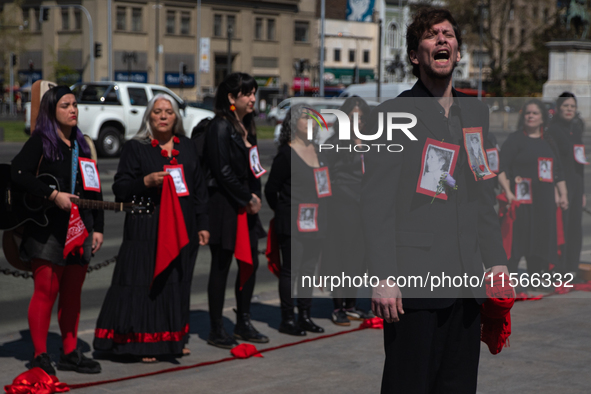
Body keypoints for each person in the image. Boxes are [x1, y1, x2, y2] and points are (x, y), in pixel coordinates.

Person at [361, 8, 510, 392]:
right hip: (415, 285)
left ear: (458, 53)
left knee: (458, 385)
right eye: (430, 35)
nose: (442, 39)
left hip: (466, 283)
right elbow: (376, 203)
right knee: (408, 383)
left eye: (448, 34)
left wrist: (495, 262)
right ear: (415, 55)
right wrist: (383, 276)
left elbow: (483, 195)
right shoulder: (393, 115)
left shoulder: (475, 112)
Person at [93, 94, 209, 362]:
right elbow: (120, 189)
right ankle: (142, 343)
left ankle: (173, 340)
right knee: (146, 283)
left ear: (176, 117)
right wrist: (145, 181)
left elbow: (200, 190)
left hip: (183, 227)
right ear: (149, 116)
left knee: (177, 284)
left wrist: (203, 223)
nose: (164, 116)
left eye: (169, 111)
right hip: (146, 227)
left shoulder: (188, 147)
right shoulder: (136, 147)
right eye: (158, 111)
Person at [11, 86, 104, 375]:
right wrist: (53, 196)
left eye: (75, 105)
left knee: (72, 294)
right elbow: (17, 173)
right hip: (46, 229)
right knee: (46, 291)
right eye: (66, 105)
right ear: (53, 111)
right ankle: (40, 354)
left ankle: (70, 352)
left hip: (80, 229)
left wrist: (98, 228)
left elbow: (94, 187)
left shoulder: (83, 144)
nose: (73, 110)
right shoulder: (41, 141)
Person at [204, 73, 268, 348]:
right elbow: (222, 171)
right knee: (221, 266)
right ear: (231, 98)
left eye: (254, 93)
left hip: (246, 206)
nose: (253, 98)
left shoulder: (247, 125)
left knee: (249, 264)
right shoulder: (219, 126)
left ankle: (243, 321)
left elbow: (254, 168)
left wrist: (256, 196)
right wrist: (247, 198)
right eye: (247, 93)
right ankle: (216, 327)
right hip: (225, 206)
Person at [265, 104, 327, 336]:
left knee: (309, 270)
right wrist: (284, 211)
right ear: (292, 124)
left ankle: (305, 316)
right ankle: (287, 319)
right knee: (291, 270)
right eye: (304, 119)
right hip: (292, 220)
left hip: (316, 221)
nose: (309, 123)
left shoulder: (319, 151)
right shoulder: (286, 154)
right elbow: (271, 190)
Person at [498, 99, 567, 280]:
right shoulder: (515, 140)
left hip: (543, 202)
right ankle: (509, 279)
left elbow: (557, 172)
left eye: (535, 113)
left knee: (539, 241)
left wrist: (562, 194)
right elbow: (501, 168)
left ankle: (535, 277)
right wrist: (509, 192)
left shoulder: (549, 142)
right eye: (528, 113)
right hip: (520, 202)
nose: (530, 116)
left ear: (543, 118)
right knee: (517, 241)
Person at [321, 96, 372, 326]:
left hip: (364, 208)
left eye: (361, 118)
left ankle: (351, 305)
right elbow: (326, 176)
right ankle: (338, 306)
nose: (358, 122)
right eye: (354, 117)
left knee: (358, 259)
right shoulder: (336, 143)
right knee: (340, 257)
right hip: (342, 208)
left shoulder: (372, 142)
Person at [548, 92, 586, 275]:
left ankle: (572, 268)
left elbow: (580, 162)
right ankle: (559, 268)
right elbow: (552, 160)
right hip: (562, 183)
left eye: (572, 107)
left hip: (576, 183)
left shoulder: (576, 129)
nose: (569, 110)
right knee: (561, 227)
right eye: (566, 106)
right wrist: (557, 188)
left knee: (575, 228)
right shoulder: (552, 130)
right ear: (558, 108)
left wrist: (583, 191)